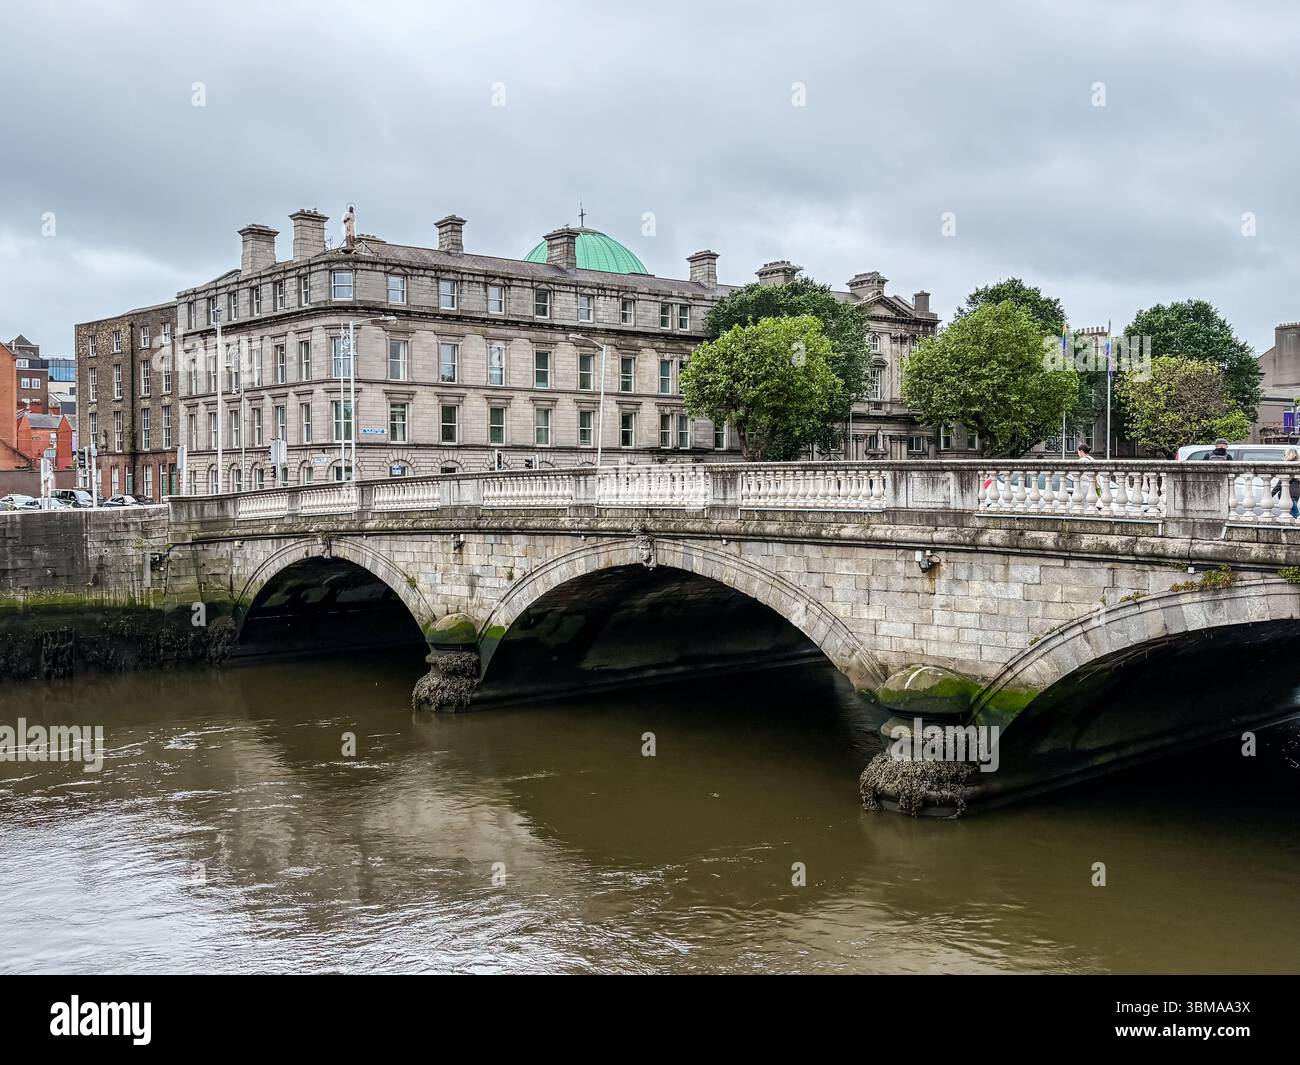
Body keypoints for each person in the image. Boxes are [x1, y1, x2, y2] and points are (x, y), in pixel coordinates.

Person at [1269, 447, 1300, 518]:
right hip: (1296, 493)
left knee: (1295, 514)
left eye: (1285, 454)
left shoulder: (1288, 467)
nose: (1284, 456)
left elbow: (1280, 483)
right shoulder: (1297, 466)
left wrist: (1271, 494)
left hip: (1288, 493)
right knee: (1292, 513)